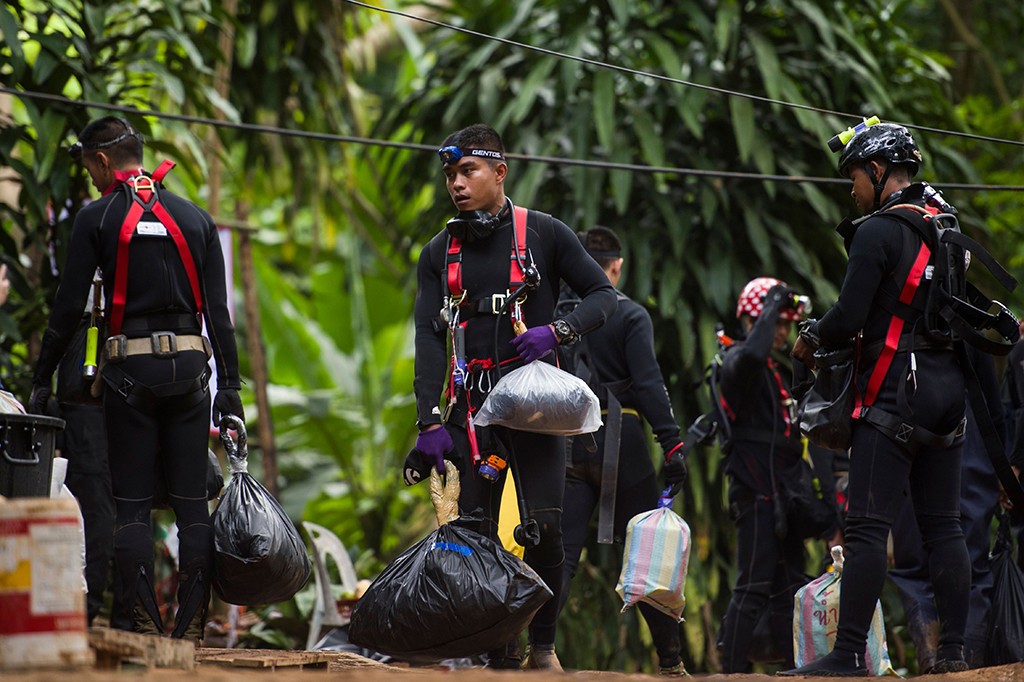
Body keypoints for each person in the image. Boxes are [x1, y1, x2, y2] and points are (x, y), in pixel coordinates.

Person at [407, 124, 617, 670]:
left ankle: (542, 649)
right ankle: (497, 656)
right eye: (450, 174)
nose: (457, 183)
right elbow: (427, 339)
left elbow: (604, 297)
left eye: (468, 171)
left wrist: (560, 331)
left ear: (500, 172)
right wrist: (428, 421)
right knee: (476, 534)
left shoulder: (543, 234)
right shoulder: (439, 252)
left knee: (544, 527)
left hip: (534, 409)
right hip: (472, 414)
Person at [28, 116, 243, 643]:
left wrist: (42, 378)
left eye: (89, 170)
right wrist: (230, 390)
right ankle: (190, 630)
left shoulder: (96, 218)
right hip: (193, 372)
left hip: (130, 374)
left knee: (131, 505)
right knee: (192, 504)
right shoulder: (195, 219)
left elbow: (67, 309)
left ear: (102, 161)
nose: (91, 181)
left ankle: (146, 628)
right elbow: (219, 312)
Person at [786, 122, 971, 676]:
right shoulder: (946, 226)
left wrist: (811, 338)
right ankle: (956, 654)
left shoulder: (878, 232)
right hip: (947, 394)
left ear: (878, 171)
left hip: (895, 394)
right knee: (945, 525)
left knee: (867, 525)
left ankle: (845, 658)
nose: (852, 190)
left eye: (854, 178)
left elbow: (849, 317)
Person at [553, 226, 688, 676]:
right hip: (623, 438)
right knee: (646, 554)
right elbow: (648, 385)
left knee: (562, 555)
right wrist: (672, 443)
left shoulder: (557, 319)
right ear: (617, 266)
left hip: (569, 441)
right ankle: (670, 661)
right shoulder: (630, 315)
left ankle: (533, 650)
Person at [715, 276, 810, 673]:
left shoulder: (775, 372)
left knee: (790, 586)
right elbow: (752, 354)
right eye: (776, 323)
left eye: (787, 325)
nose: (782, 333)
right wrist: (771, 304)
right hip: (754, 494)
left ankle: (790, 669)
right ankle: (731, 673)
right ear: (753, 321)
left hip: (782, 497)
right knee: (752, 587)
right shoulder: (738, 361)